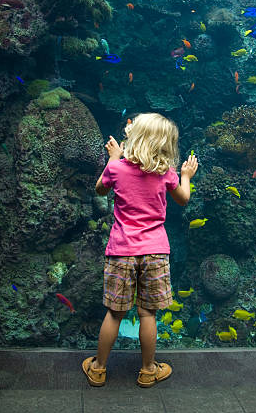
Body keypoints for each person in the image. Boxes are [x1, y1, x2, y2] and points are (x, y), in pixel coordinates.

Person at [82, 112, 198, 388]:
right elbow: (183, 199)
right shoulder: (166, 173)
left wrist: (113, 158)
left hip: (122, 251)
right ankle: (148, 370)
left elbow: (100, 190)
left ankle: (98, 369)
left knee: (115, 313)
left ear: (134, 139)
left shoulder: (117, 168)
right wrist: (185, 175)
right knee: (148, 314)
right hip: (156, 252)